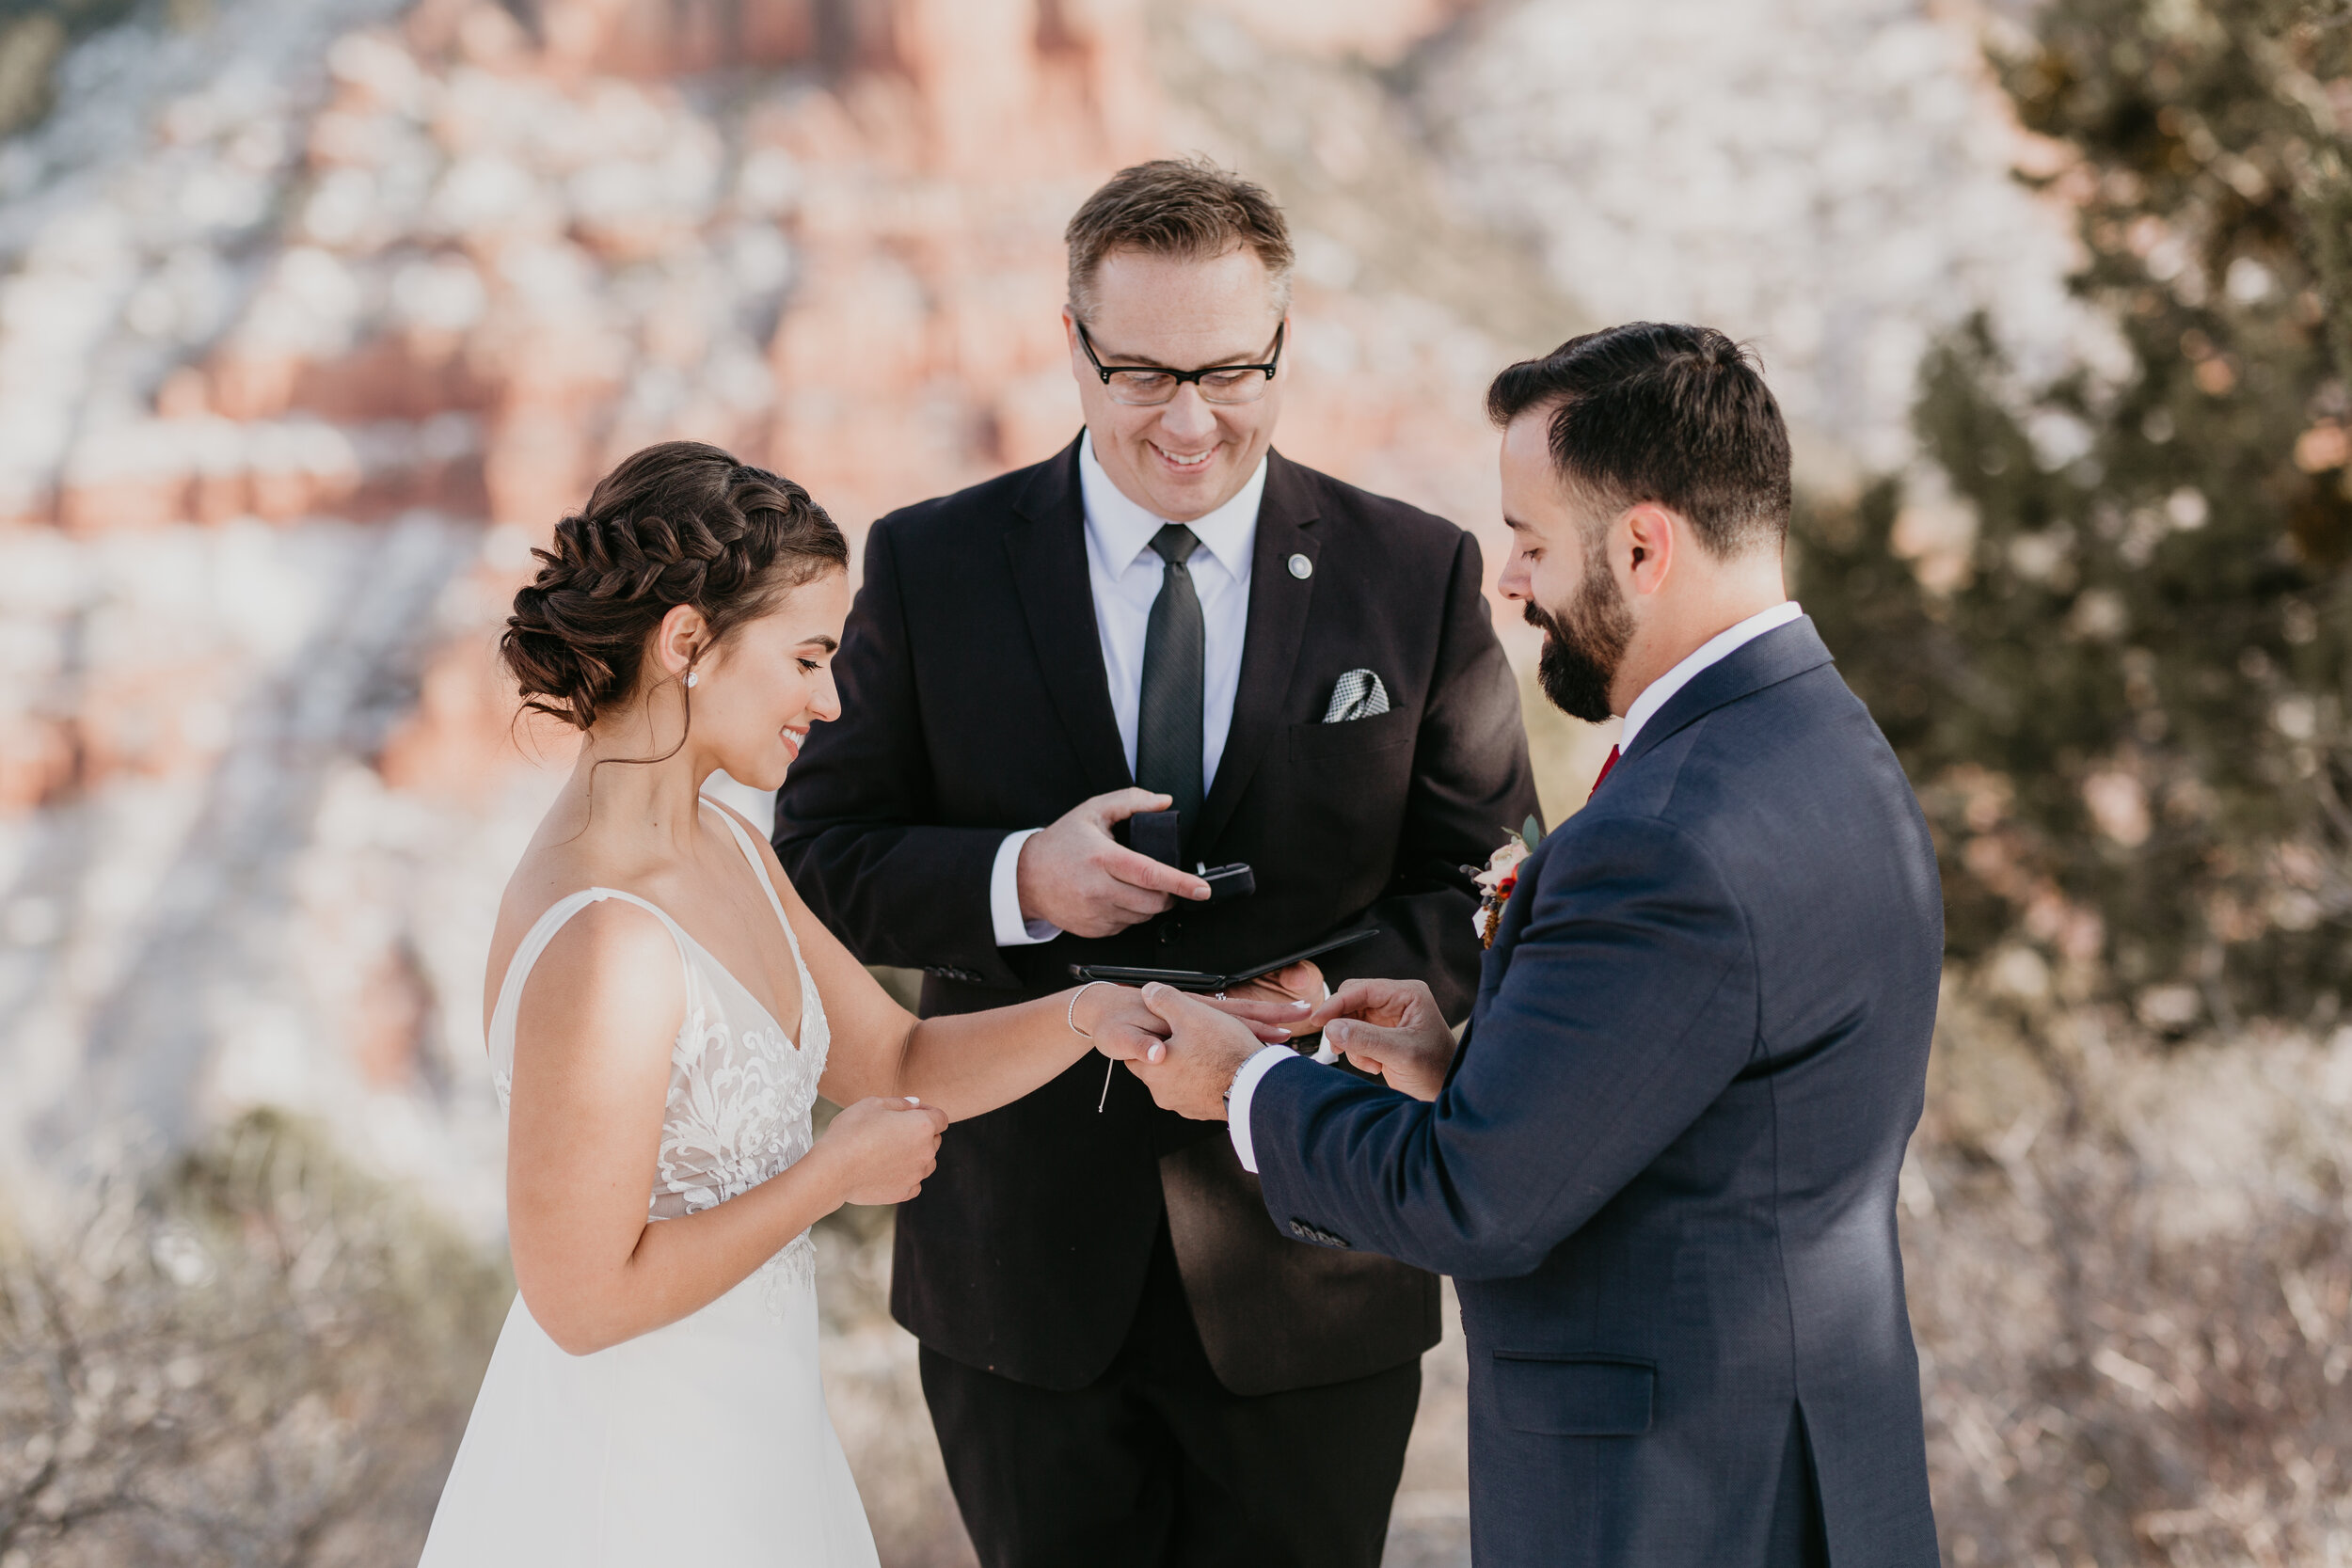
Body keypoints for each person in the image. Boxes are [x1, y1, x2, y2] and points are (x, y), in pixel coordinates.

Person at [773, 160, 1537, 1567]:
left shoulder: (1409, 569)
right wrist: (1019, 879)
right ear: (1071, 346)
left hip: (1319, 1260)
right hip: (1020, 1279)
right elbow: (819, 849)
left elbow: (1488, 875)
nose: (1190, 419)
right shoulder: (935, 564)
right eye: (1140, 373)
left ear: (1281, 349)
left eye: (1231, 370)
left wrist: (1331, 983)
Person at [1120, 324, 1945, 1567]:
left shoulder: (1671, 831)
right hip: (1806, 1455)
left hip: (1673, 1498)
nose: (1510, 580)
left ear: (1643, 545)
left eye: (1531, 539)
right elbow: (1715, 1091)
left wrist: (1241, 1083)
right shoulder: (1827, 745)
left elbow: (1478, 1202)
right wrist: (1472, 1067)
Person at [418, 442, 1220, 1564]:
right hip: (638, 1481)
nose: (830, 698)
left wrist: (1097, 1013)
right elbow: (581, 1298)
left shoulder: (732, 847)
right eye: (804, 656)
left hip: (761, 1441)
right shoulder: (604, 937)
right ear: (688, 641)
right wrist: (831, 1177)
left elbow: (894, 1061)